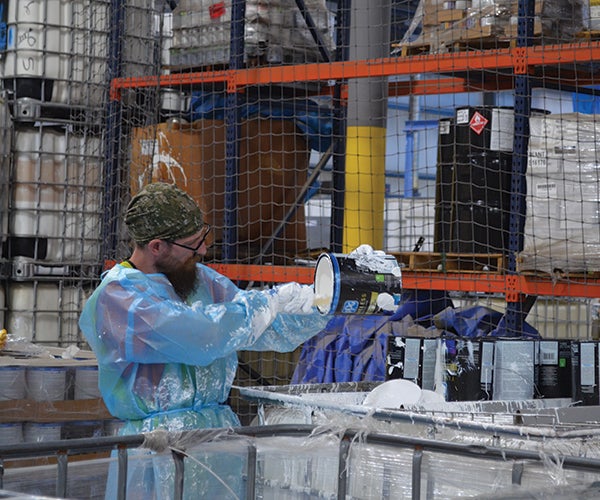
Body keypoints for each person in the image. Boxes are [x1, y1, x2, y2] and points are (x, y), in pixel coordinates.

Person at [79, 182, 330, 498]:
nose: (203, 250)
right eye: (192, 243)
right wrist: (265, 304)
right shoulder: (118, 298)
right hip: (157, 454)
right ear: (157, 246)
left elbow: (263, 327)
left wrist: (322, 301)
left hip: (218, 444)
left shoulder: (200, 280)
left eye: (203, 237)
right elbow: (197, 335)